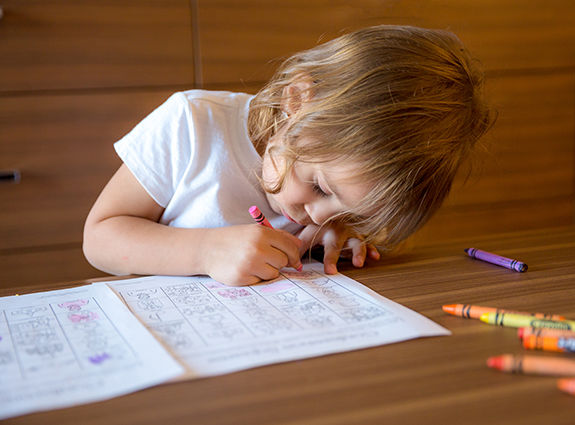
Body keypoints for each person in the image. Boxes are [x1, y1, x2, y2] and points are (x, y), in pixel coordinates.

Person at [83, 24, 493, 286]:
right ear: (296, 101)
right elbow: (99, 239)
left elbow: (324, 222)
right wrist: (205, 252)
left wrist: (338, 236)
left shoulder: (324, 204)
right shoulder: (191, 125)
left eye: (348, 211)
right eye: (319, 187)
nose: (315, 216)